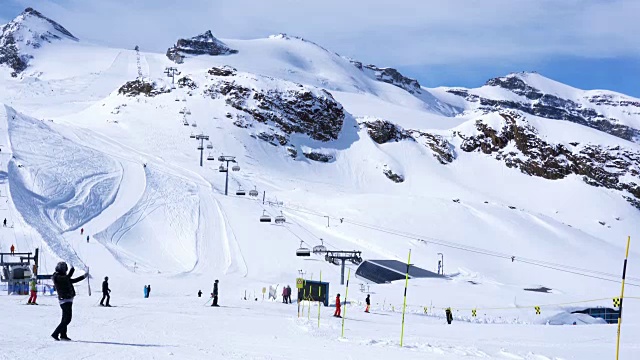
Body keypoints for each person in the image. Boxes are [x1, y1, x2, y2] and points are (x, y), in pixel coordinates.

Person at [51, 262, 87, 341]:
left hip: (67, 300)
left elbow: (73, 280)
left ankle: (63, 335)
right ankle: (55, 333)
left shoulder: (62, 277)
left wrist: (83, 276)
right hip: (65, 300)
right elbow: (68, 278)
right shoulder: (58, 277)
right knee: (67, 319)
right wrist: (72, 269)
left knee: (64, 318)